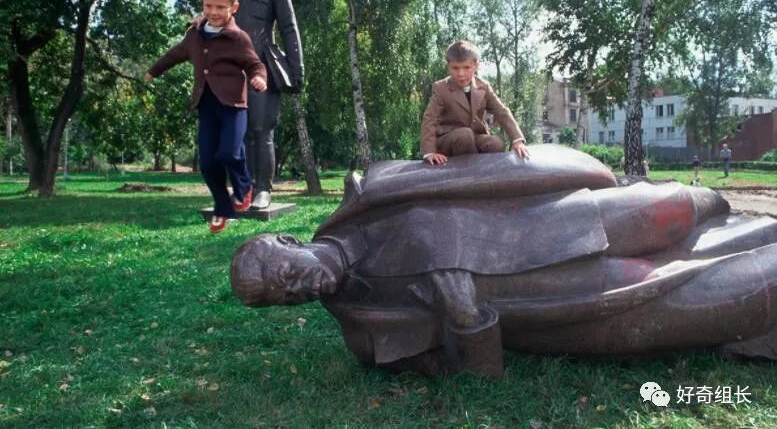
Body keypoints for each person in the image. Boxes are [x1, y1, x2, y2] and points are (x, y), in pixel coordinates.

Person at [230, 145, 777, 376]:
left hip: (552, 218)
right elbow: (474, 373)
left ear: (290, 244)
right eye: (285, 299)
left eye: (285, 277)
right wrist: (468, 320)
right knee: (710, 290)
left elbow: (461, 164)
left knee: (676, 205)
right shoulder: (369, 337)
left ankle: (742, 220)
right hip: (558, 295)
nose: (298, 290)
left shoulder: (372, 192)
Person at [145, 0, 267, 233]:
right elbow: (175, 54)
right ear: (203, 5)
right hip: (206, 104)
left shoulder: (237, 38)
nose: (213, 12)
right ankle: (222, 208)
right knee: (208, 163)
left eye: (220, 7)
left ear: (233, 8)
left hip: (234, 105)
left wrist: (259, 78)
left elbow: (255, 64)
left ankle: (244, 188)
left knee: (228, 153)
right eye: (208, 6)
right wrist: (154, 71)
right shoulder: (194, 36)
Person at [230, 0, 304, 209]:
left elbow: (289, 29)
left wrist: (297, 71)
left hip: (262, 66)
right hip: (232, 70)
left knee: (262, 129)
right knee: (241, 131)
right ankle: (244, 189)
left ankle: (263, 189)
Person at [421, 41, 529, 166]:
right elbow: (430, 119)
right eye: (455, 68)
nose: (461, 74)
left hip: (474, 137)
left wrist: (517, 140)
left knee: (496, 143)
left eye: (466, 67)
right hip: (449, 140)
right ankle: (471, 175)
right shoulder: (441, 88)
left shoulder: (483, 86)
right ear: (448, 66)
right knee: (464, 135)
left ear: (476, 65)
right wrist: (429, 152)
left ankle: (487, 175)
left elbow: (501, 111)